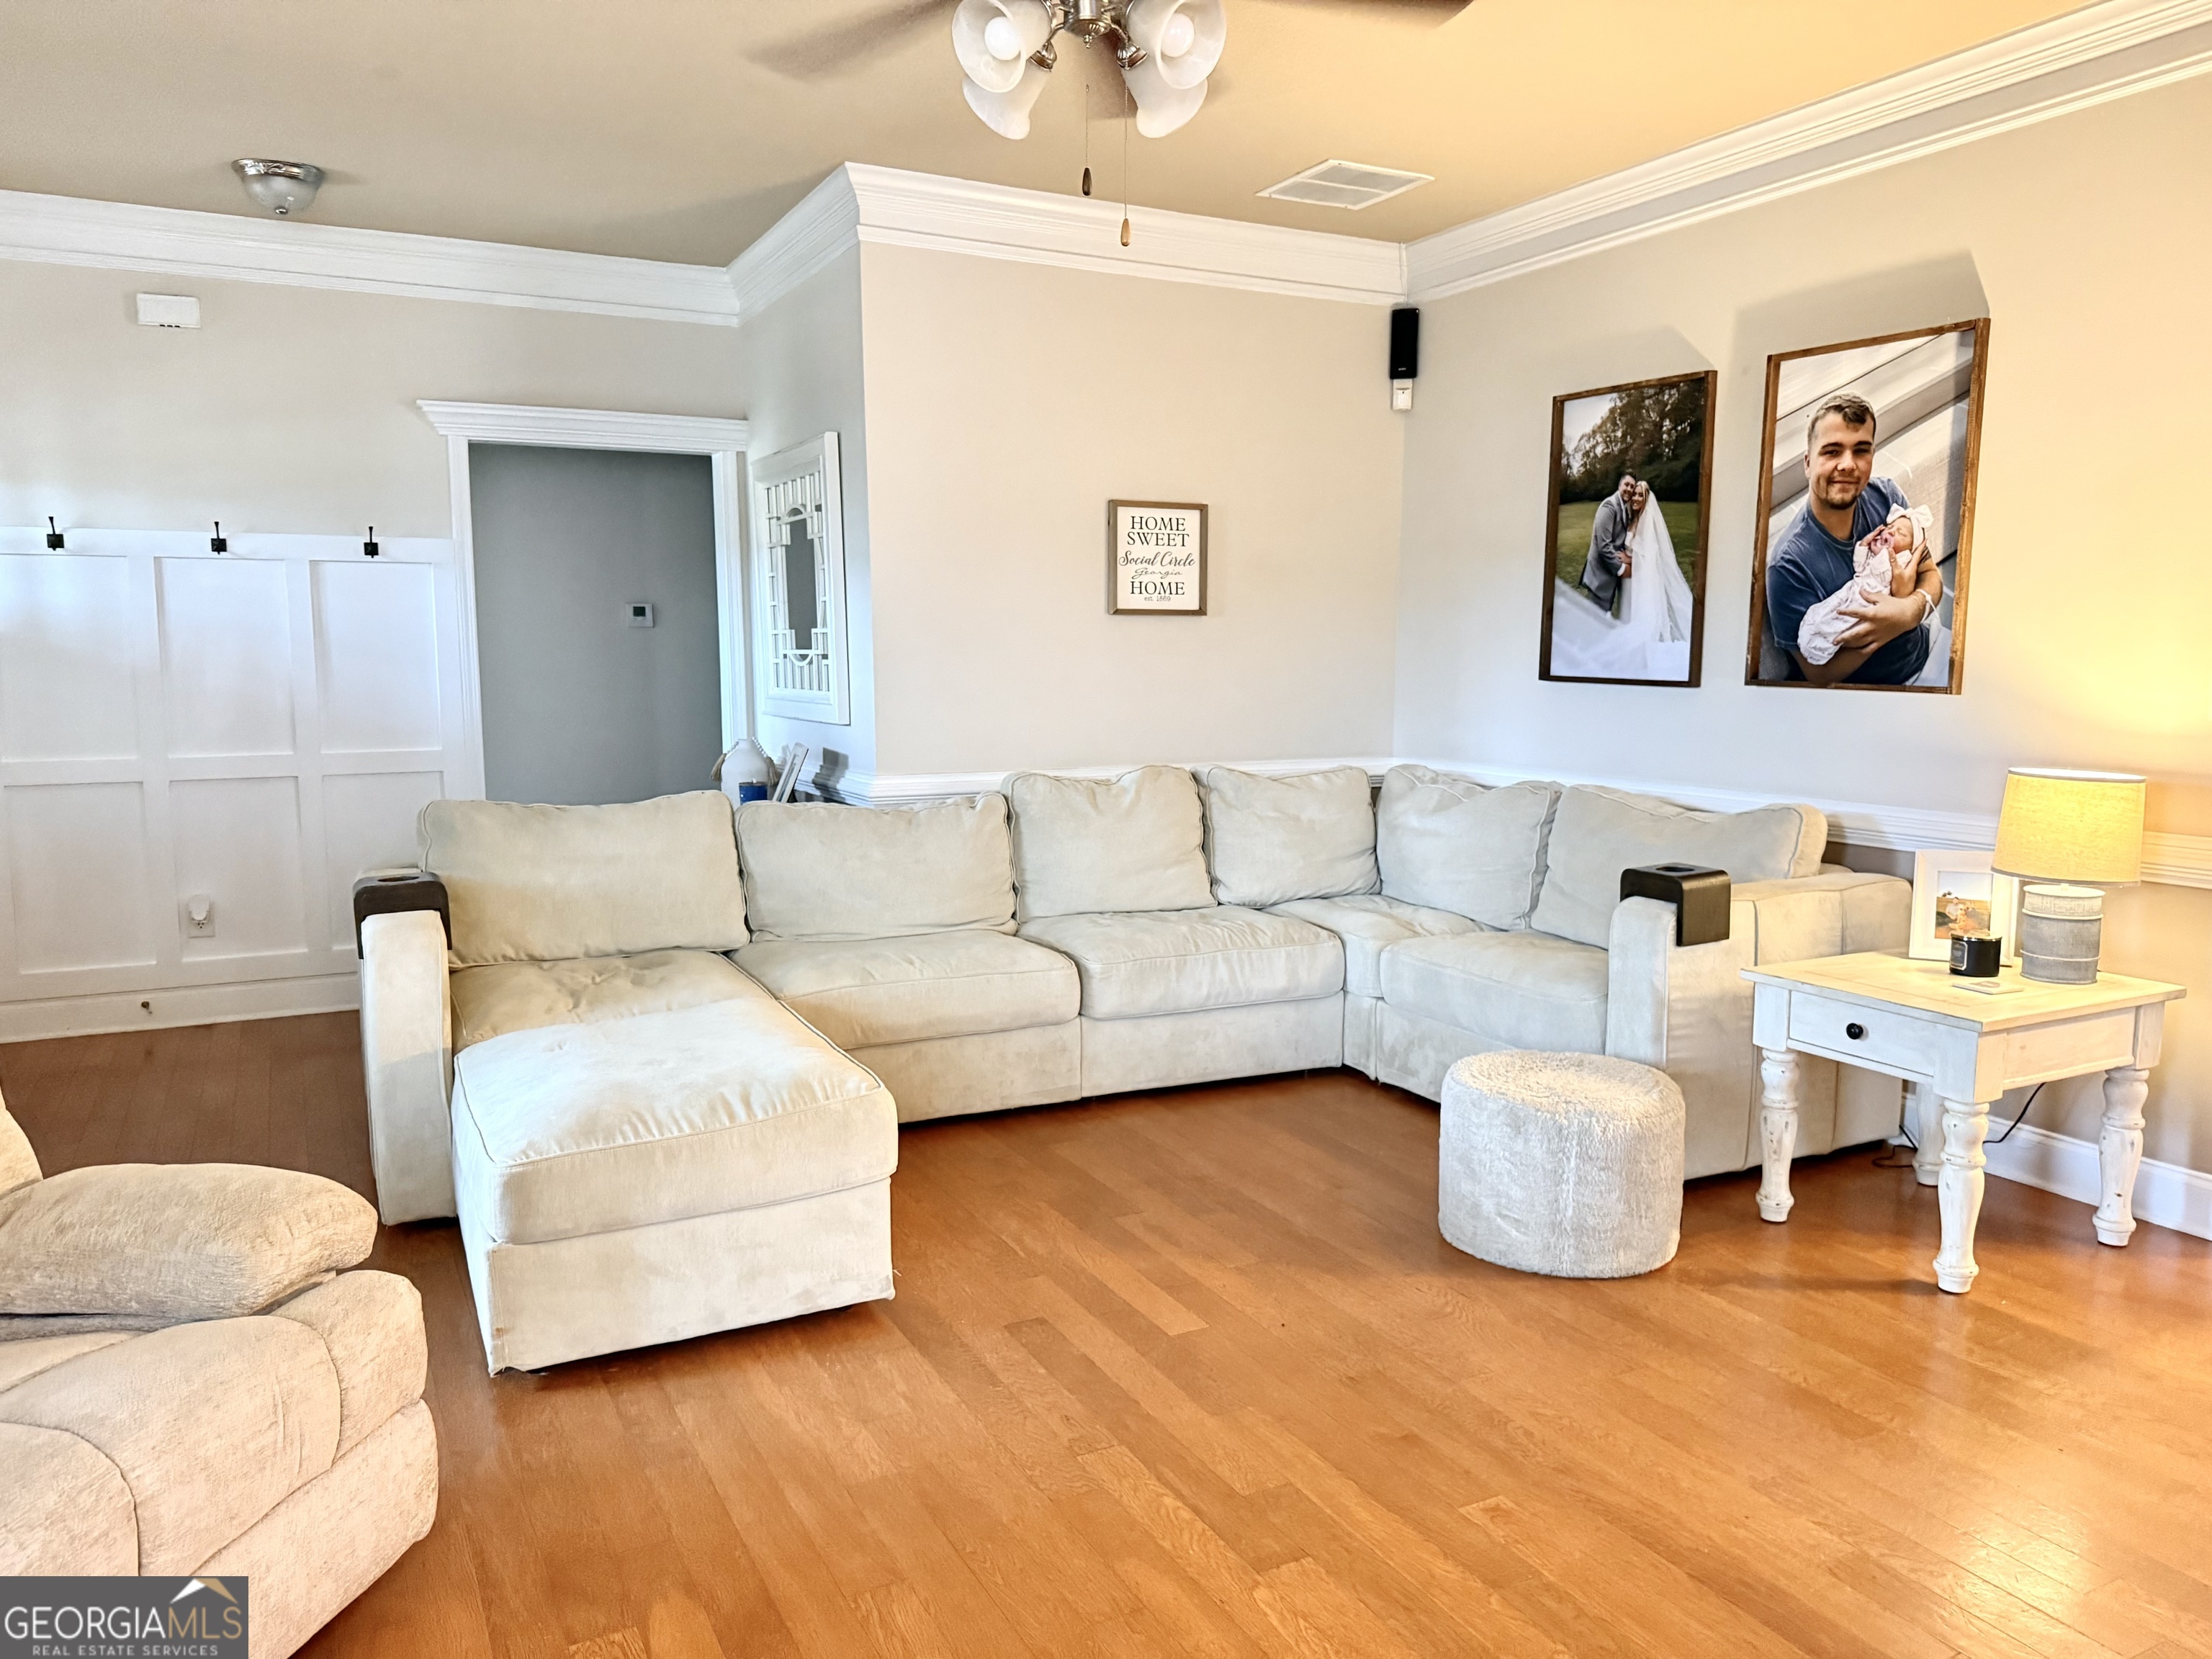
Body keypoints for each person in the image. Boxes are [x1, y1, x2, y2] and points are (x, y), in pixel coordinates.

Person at [1763, 393, 1943, 686]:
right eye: (1832, 452)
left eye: (1861, 450)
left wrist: (1908, 613)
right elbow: (1819, 674)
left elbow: (1931, 574)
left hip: (1929, 647)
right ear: (1808, 463)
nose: (1847, 464)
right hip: (1872, 692)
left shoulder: (1887, 498)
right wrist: (1885, 627)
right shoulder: (1788, 565)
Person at [1795, 503, 1934, 667]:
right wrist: (1863, 546)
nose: (1891, 531)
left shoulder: (1903, 561)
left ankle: (1821, 648)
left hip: (1868, 603)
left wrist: (1880, 554)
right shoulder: (1878, 551)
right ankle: (1811, 632)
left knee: (1843, 624)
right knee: (1829, 612)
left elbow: (1885, 578)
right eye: (1890, 527)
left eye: (1901, 534)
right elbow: (1859, 567)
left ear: (1910, 550)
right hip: (1853, 590)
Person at [1578, 474, 1646, 617]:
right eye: (1626, 485)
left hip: (1610, 579)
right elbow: (1604, 546)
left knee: (1606, 618)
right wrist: (1622, 569)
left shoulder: (1625, 509)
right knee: (1595, 621)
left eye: (1632, 486)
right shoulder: (1609, 506)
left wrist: (1630, 560)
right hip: (1599, 578)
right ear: (1619, 485)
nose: (1629, 489)